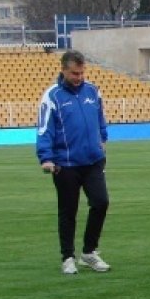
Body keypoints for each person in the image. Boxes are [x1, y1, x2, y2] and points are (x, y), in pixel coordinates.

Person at [36, 50, 112, 275]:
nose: (79, 77)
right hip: (65, 164)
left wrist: (103, 139)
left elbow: (100, 119)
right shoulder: (52, 96)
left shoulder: (92, 91)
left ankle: (89, 252)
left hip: (93, 160)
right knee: (68, 211)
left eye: (81, 72)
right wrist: (46, 157)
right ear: (63, 70)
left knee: (101, 202)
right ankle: (67, 257)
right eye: (74, 73)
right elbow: (44, 128)